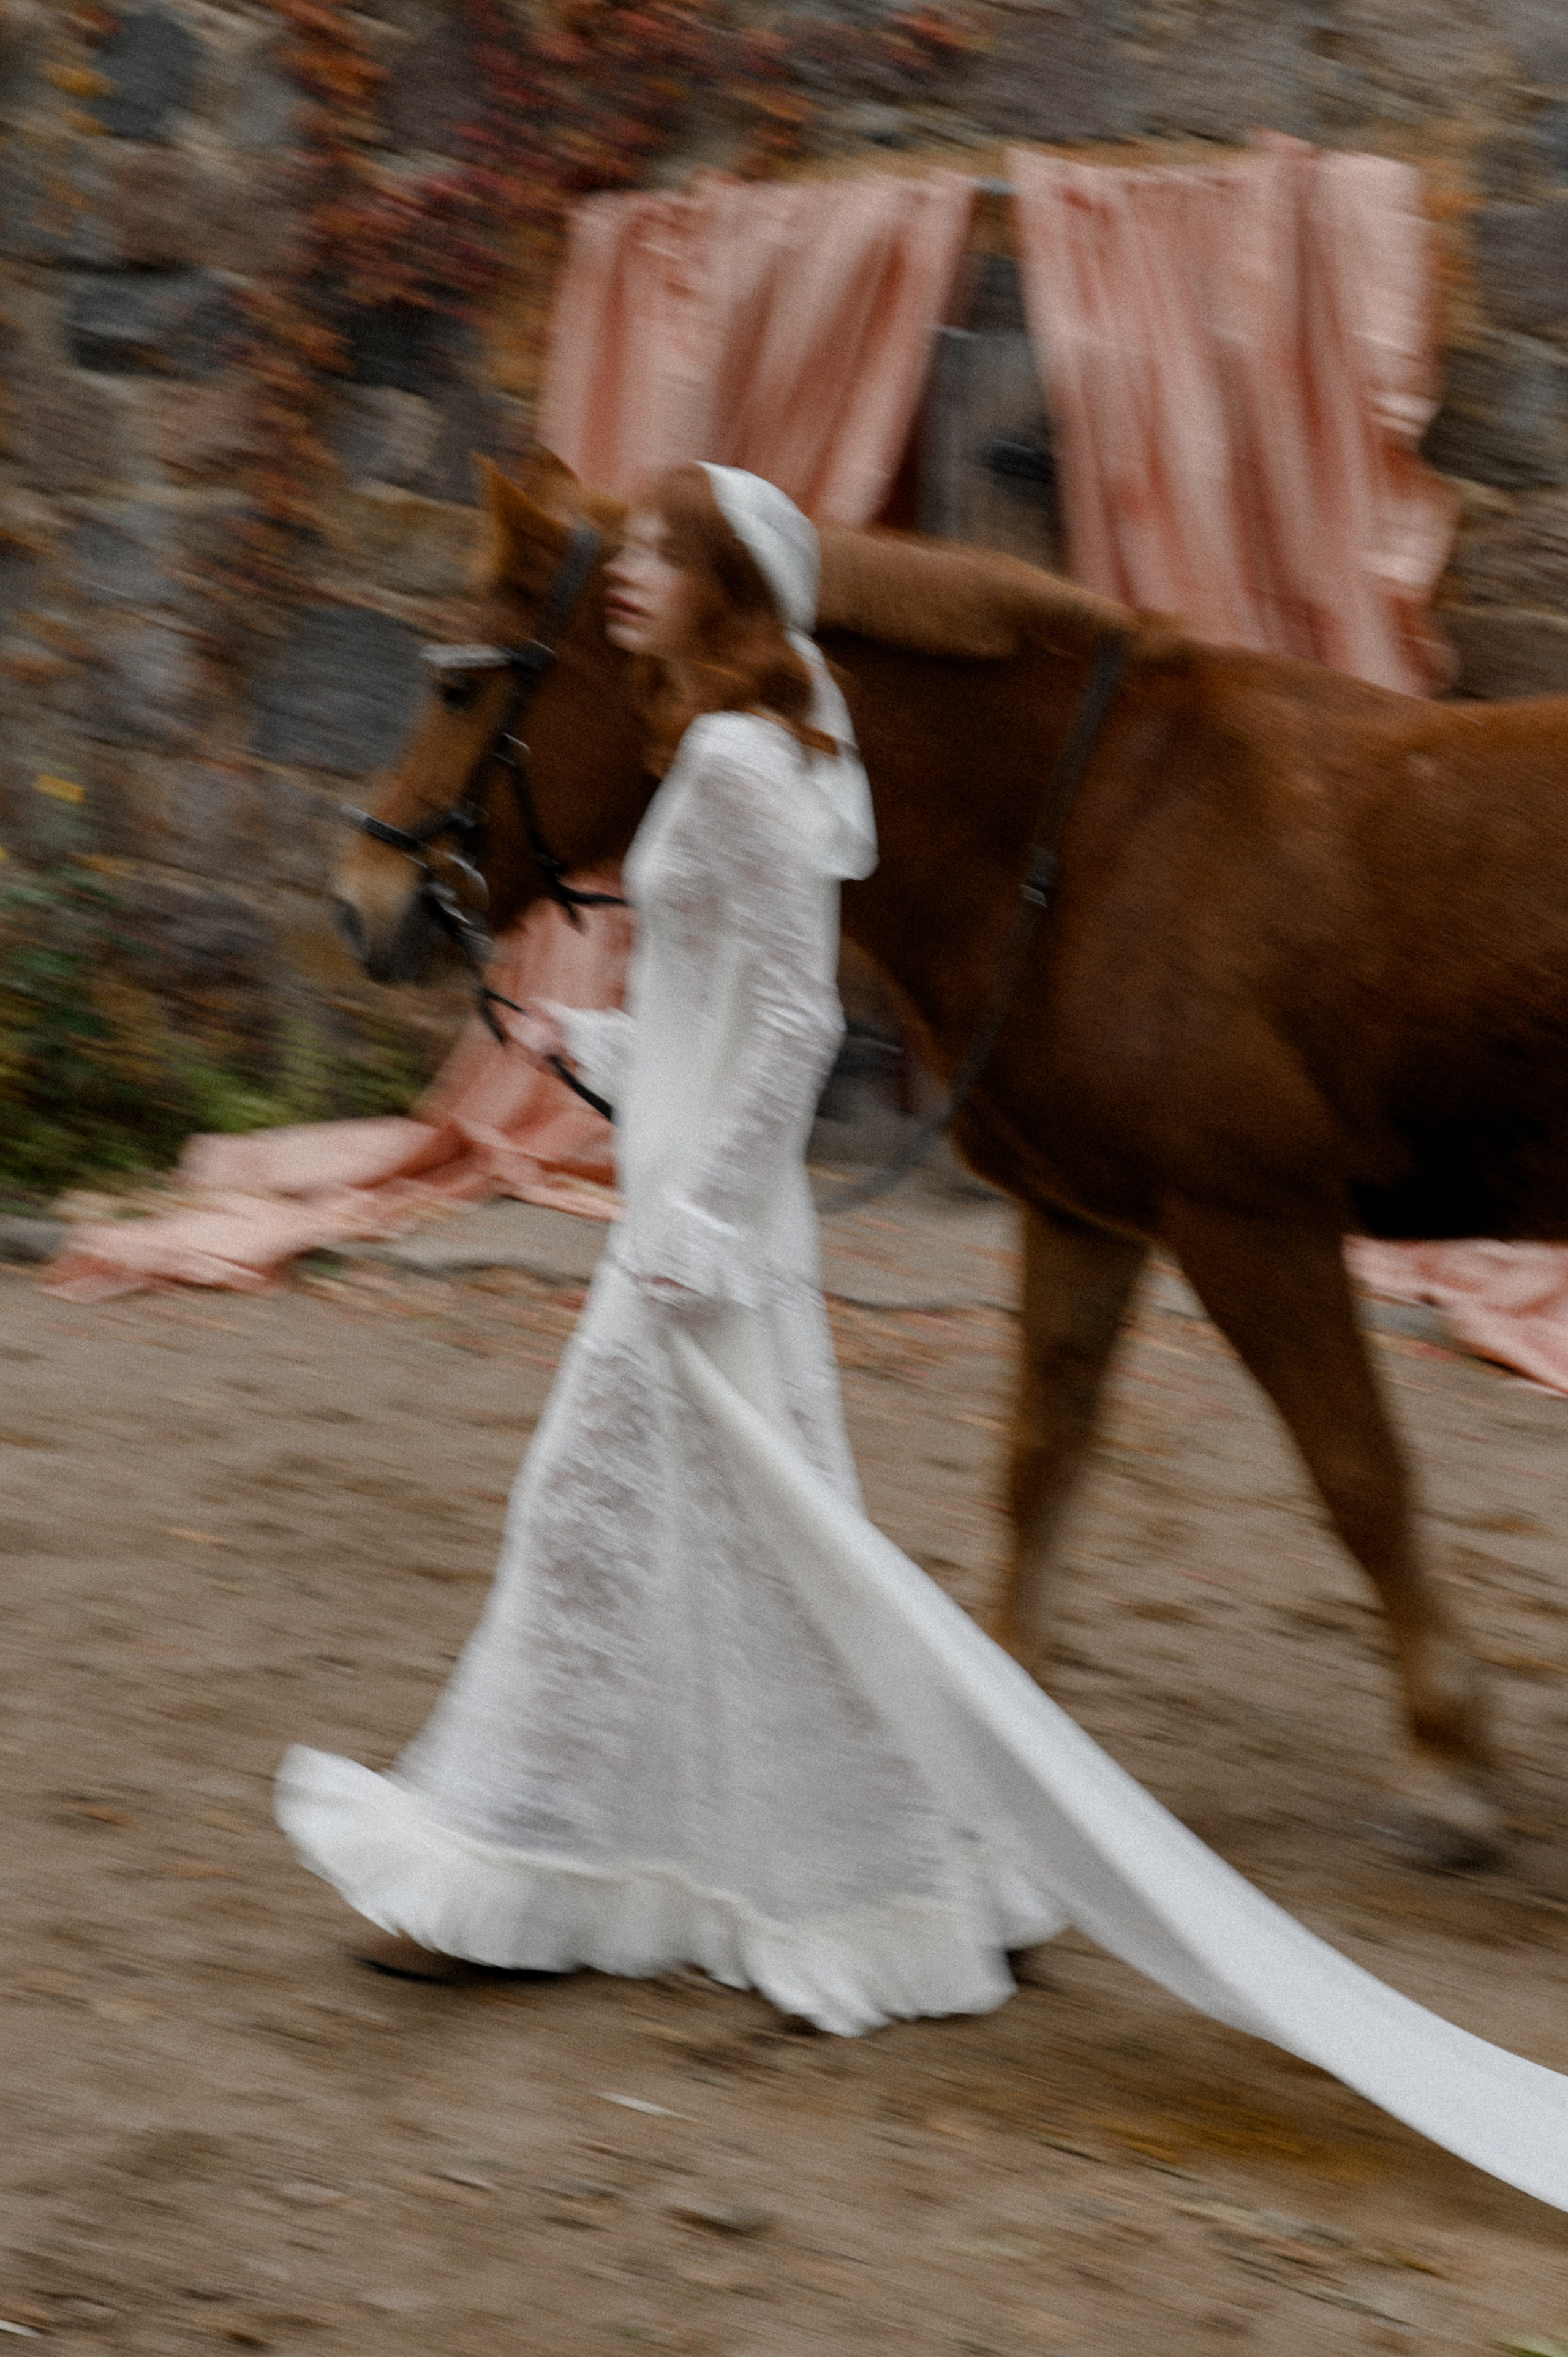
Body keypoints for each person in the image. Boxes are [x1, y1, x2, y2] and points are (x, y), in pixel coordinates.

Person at [278, 465, 1568, 2211]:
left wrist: (697, 1211)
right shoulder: (771, 753)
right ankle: (795, 1780)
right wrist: (626, 1082)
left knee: (598, 1529)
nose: (632, 593)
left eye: (659, 564)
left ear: (732, 590)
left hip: (695, 1238)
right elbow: (773, 1008)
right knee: (615, 1530)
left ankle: (537, 1873)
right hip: (691, 1213)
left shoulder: (747, 760)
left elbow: (792, 1007)